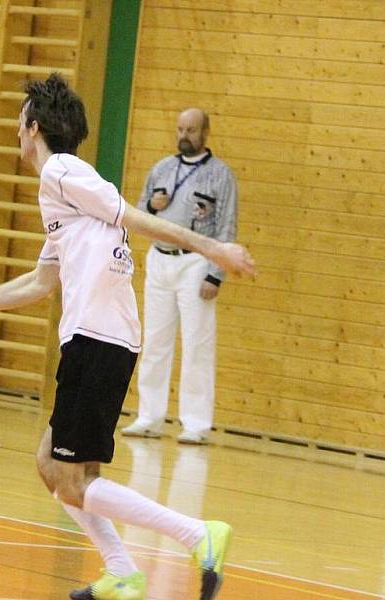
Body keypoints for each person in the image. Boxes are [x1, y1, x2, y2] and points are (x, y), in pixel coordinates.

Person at [0, 74, 255, 600]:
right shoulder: (62, 192)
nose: (15, 126)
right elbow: (41, 281)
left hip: (98, 339)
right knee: (53, 465)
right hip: (100, 338)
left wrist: (214, 251)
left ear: (32, 126)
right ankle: (121, 570)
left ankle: (197, 534)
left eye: (20, 117)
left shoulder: (61, 171)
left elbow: (136, 218)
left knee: (69, 479)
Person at [121, 108, 237, 445]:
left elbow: (226, 224)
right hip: (160, 259)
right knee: (155, 339)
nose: (184, 135)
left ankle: (196, 423)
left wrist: (216, 274)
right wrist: (153, 207)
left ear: (205, 133)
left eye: (191, 130)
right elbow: (137, 215)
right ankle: (149, 416)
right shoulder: (162, 168)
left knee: (197, 342)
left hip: (196, 263)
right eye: (180, 129)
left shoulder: (220, 175)